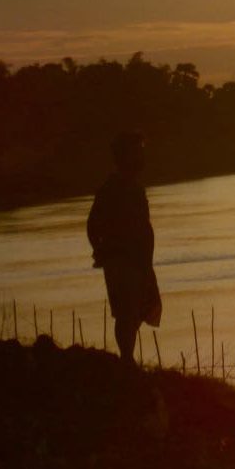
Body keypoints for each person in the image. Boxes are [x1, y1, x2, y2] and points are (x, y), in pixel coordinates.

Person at [87, 130, 161, 366]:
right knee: (127, 312)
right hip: (124, 261)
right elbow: (93, 225)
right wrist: (103, 252)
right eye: (137, 151)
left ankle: (127, 359)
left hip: (137, 261)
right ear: (126, 156)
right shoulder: (114, 188)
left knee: (138, 309)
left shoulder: (132, 187)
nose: (141, 156)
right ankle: (127, 360)